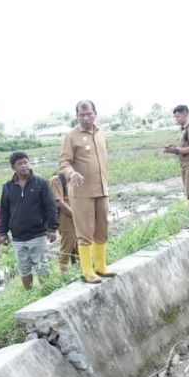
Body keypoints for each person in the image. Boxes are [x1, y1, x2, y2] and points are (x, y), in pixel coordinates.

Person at [60, 100, 115, 284]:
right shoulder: (71, 136)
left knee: (102, 229)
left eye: (89, 114)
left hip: (101, 189)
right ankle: (87, 270)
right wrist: (72, 173)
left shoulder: (101, 134)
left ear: (95, 114)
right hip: (82, 193)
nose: (85, 118)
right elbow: (64, 162)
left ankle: (101, 266)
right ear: (77, 116)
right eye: (81, 115)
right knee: (85, 231)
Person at [0, 151, 58, 290]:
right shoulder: (7, 187)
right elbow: (4, 212)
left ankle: (47, 293)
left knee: (41, 266)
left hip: (37, 234)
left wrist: (52, 228)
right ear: (13, 167)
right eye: (19, 164)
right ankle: (29, 295)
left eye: (26, 162)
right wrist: (3, 233)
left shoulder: (41, 183)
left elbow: (51, 207)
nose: (24, 166)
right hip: (18, 237)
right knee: (24, 268)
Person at [164, 105, 189, 232]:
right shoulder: (182, 129)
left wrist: (176, 150)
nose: (176, 119)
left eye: (178, 116)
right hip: (184, 163)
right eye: (175, 116)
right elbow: (184, 146)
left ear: (185, 114)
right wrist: (174, 148)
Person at [49, 171, 77, 272]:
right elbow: (59, 202)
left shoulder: (74, 177)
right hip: (65, 218)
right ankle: (64, 275)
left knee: (78, 247)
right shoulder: (56, 180)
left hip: (76, 217)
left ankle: (78, 271)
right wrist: (75, 216)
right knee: (67, 248)